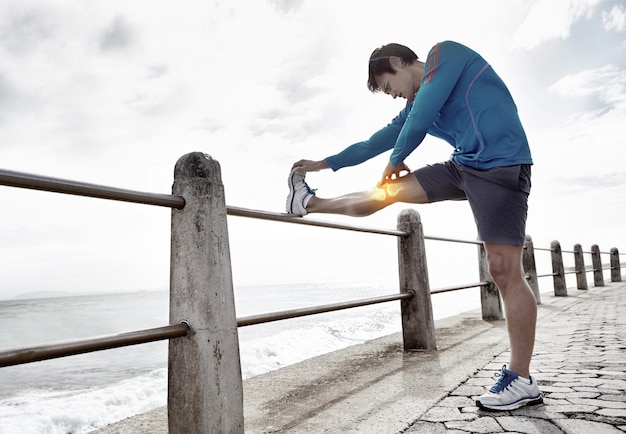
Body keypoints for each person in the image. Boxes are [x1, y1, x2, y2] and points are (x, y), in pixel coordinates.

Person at [286, 40, 542, 411]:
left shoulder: (446, 55)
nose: (394, 97)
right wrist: (321, 164)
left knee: (503, 269)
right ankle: (307, 203)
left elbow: (421, 118)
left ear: (397, 62)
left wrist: (395, 161)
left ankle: (521, 379)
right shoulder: (412, 106)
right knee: (383, 195)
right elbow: (373, 142)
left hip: (501, 166)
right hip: (462, 167)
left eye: (390, 87)